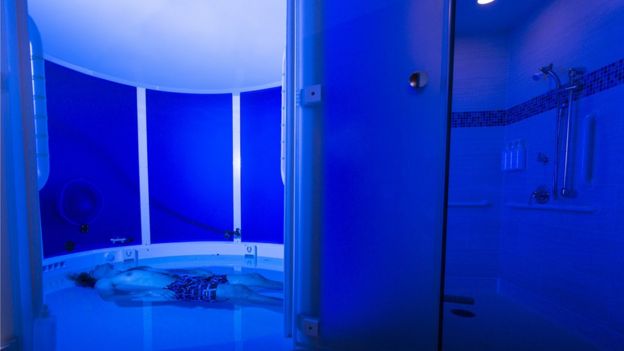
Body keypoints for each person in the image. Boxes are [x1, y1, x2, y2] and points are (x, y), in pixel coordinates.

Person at [69, 263, 283, 308]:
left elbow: (166, 272)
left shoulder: (129, 269)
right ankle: (283, 304)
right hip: (177, 289)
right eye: (91, 270)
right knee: (238, 291)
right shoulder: (105, 282)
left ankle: (288, 287)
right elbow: (113, 299)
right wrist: (151, 295)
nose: (95, 266)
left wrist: (194, 270)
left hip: (185, 279)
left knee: (253, 277)